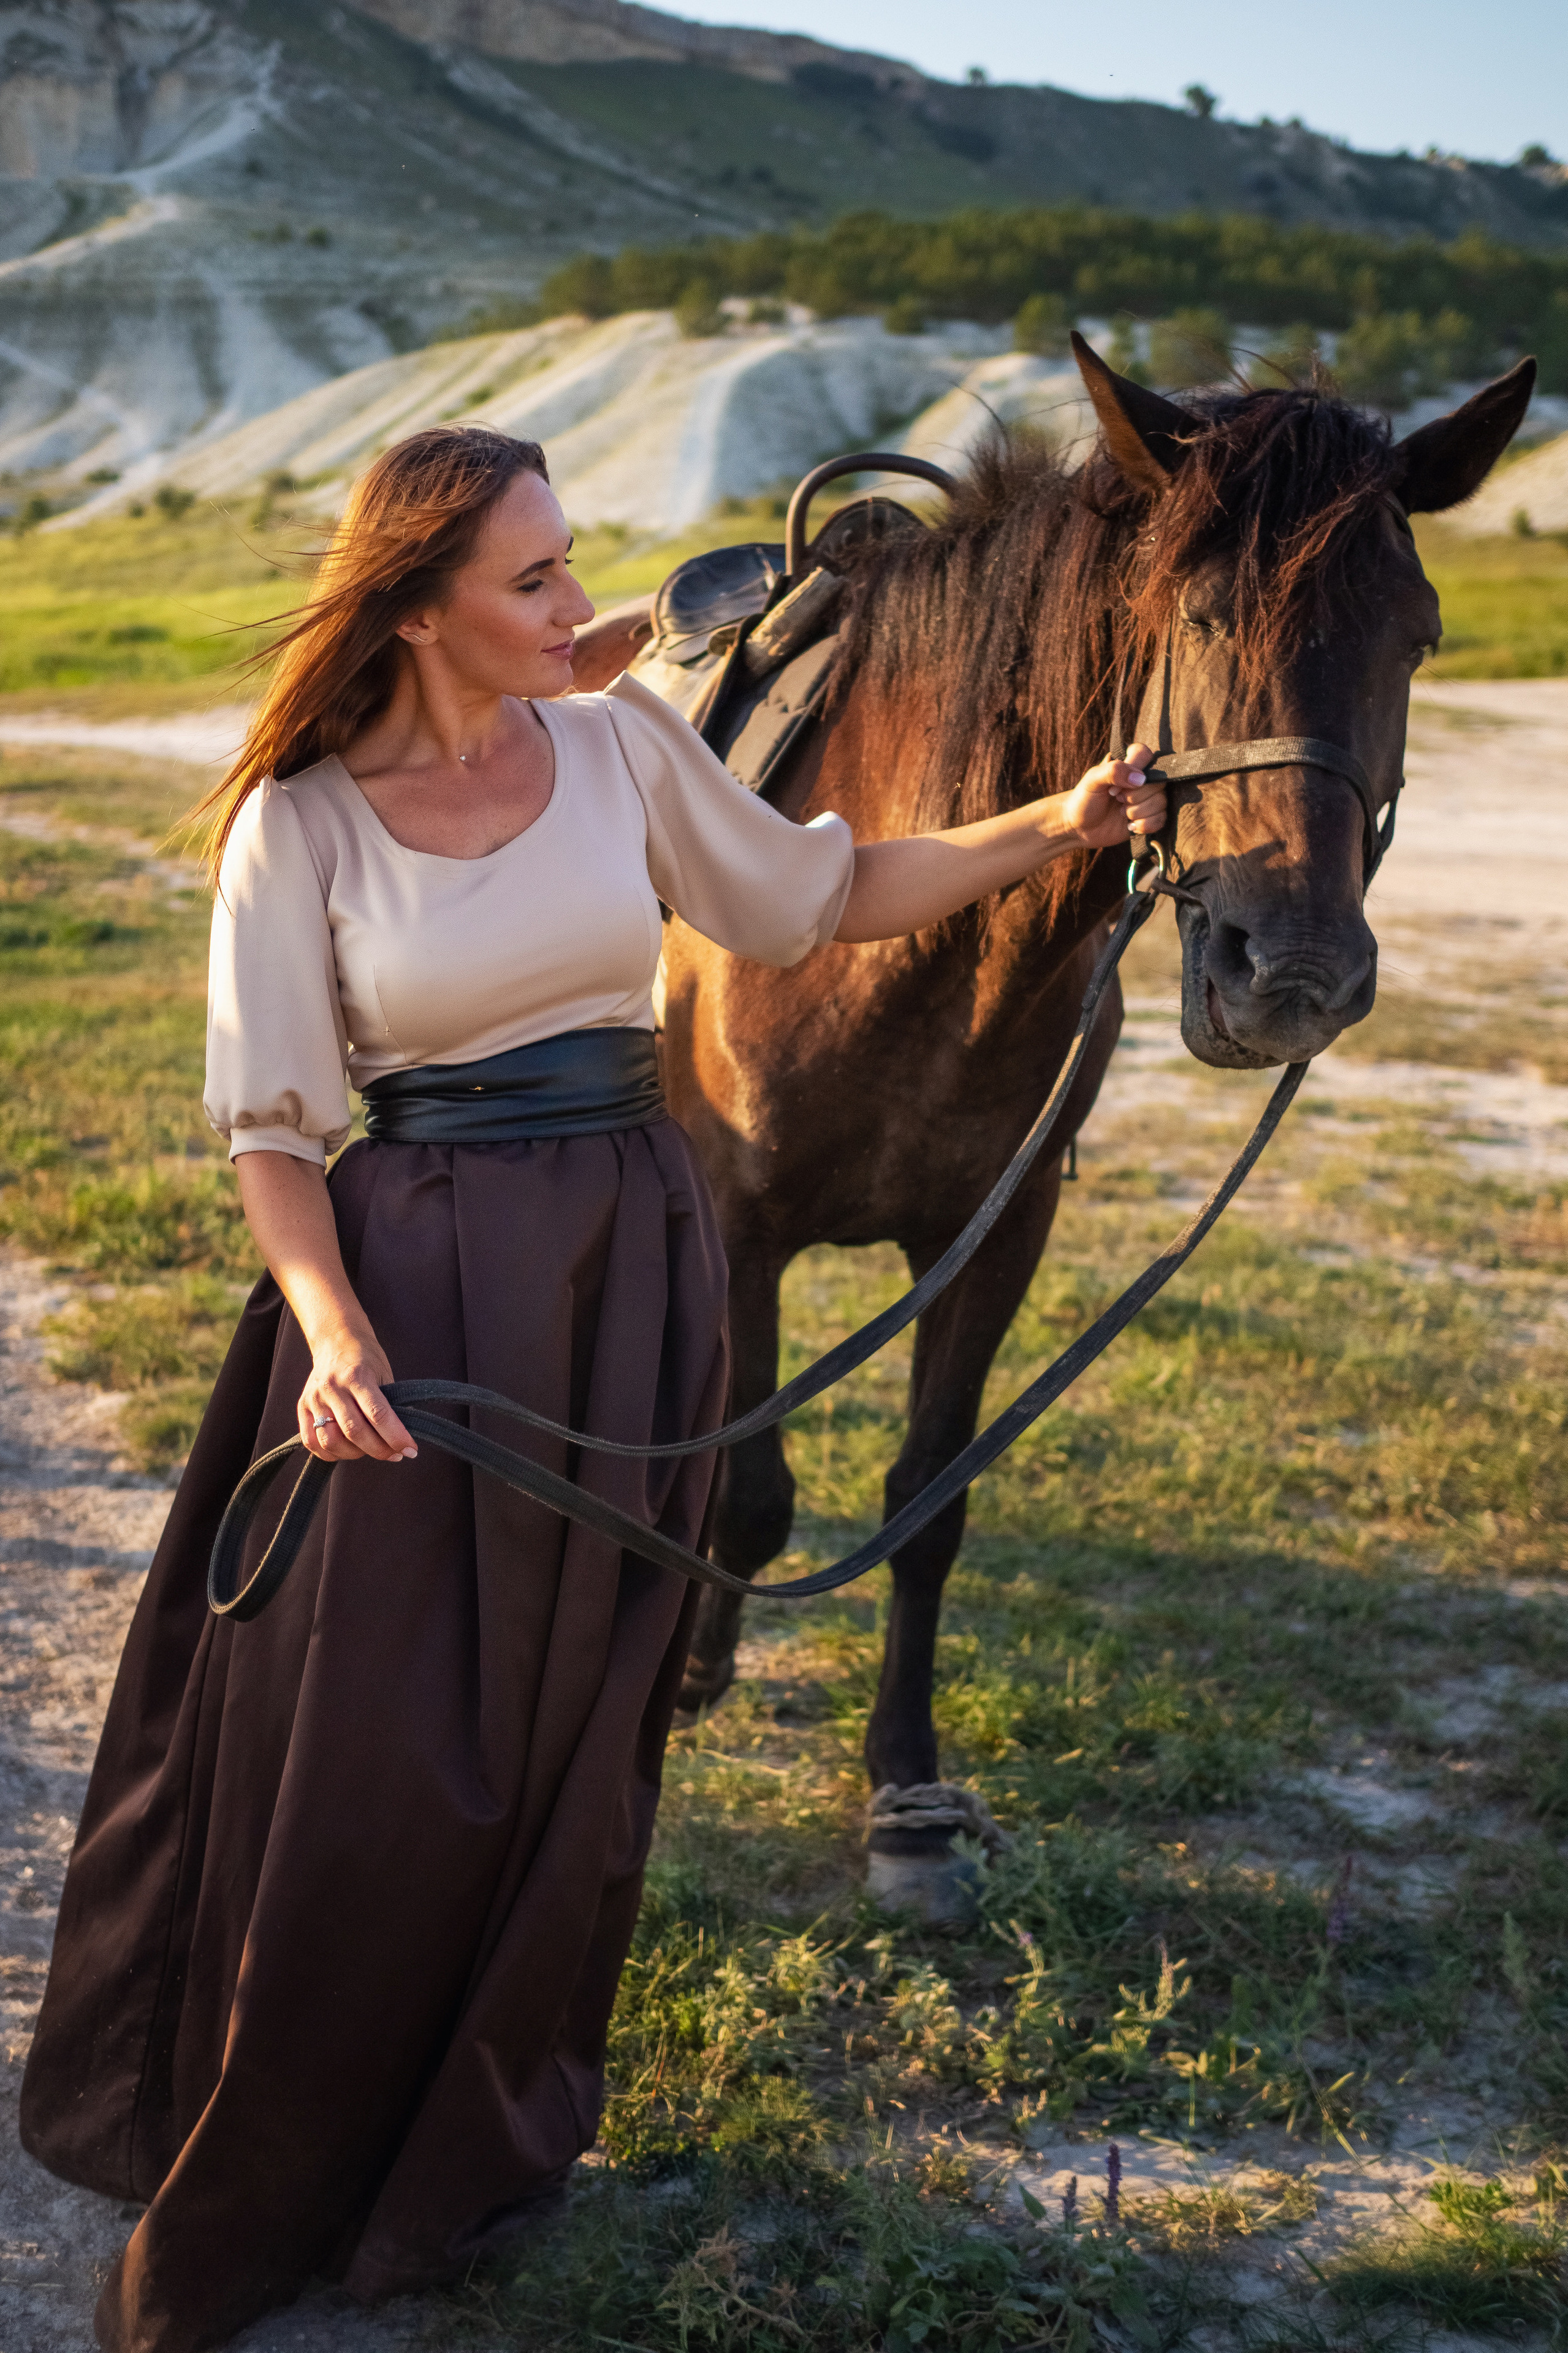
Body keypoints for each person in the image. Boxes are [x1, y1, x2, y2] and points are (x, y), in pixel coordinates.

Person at [19, 426, 1163, 2353]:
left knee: (574, 1729)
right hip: (415, 1284)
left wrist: (1057, 826)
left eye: (572, 567)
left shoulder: (624, 748)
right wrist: (332, 1330)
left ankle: (484, 2129)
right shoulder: (295, 822)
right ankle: (293, 2125)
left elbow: (819, 893)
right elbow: (278, 1138)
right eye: (535, 582)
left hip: (627, 1266)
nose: (586, 608)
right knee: (378, 1737)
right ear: (416, 605)